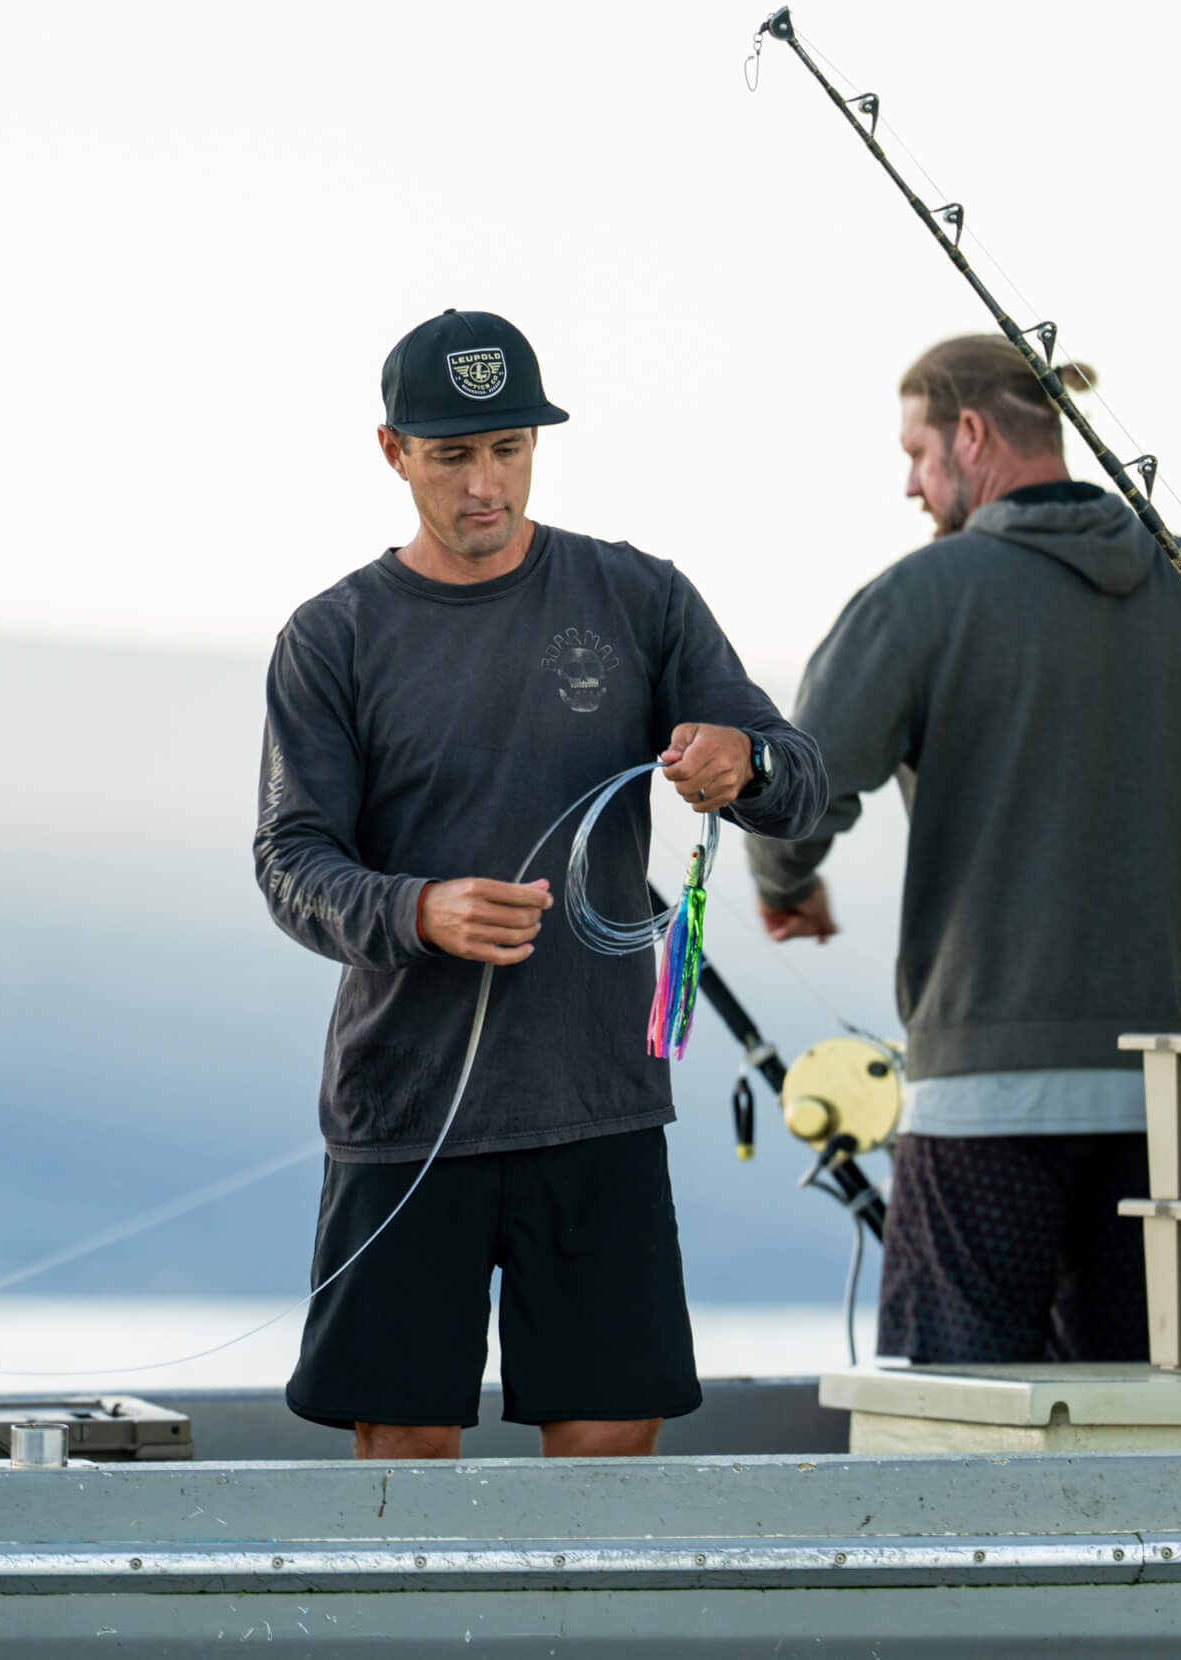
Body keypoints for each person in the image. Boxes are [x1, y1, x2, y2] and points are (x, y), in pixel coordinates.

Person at [255, 309, 823, 1459]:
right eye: (452, 454)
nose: (485, 483)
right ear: (391, 451)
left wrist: (743, 762)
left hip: (596, 1099)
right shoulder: (332, 637)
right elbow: (289, 861)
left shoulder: (638, 598)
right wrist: (417, 911)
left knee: (612, 1450)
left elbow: (801, 782)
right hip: (405, 1112)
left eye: (508, 447)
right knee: (403, 1455)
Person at [747, 334, 1181, 1366]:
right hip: (1167, 1102)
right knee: (1136, 1421)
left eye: (917, 452)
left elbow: (794, 792)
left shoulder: (919, 596)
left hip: (983, 1100)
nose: (910, 483)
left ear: (969, 435)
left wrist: (786, 887)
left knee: (958, 1428)